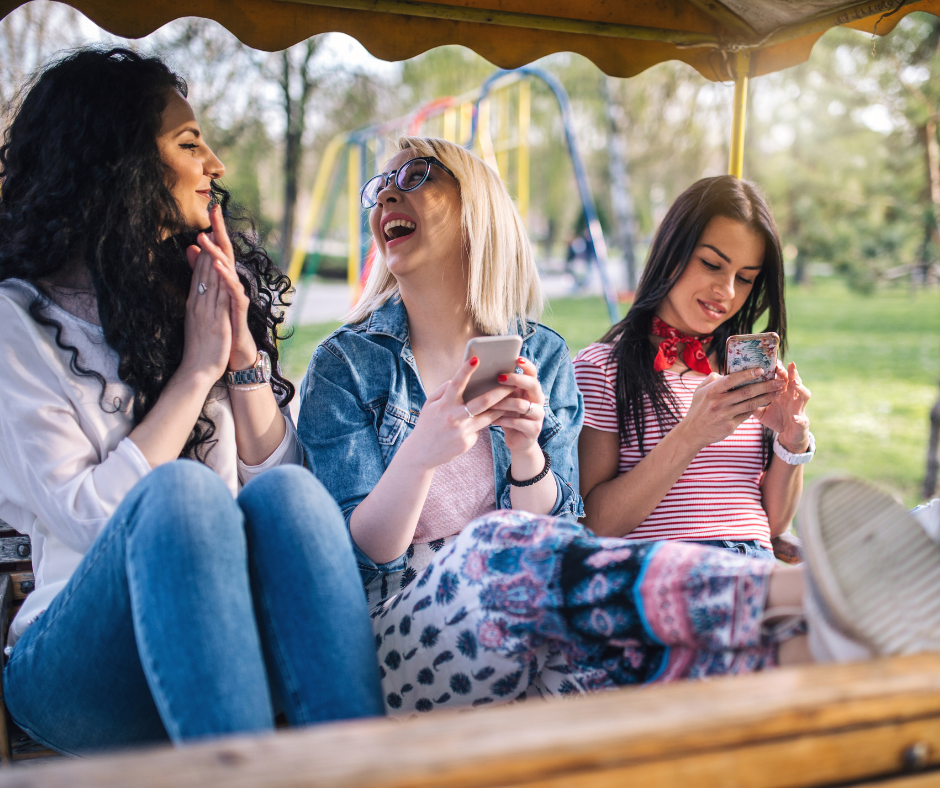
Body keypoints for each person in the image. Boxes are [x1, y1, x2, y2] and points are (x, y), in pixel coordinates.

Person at [298, 137, 939, 719]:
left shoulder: (539, 355)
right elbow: (361, 552)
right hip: (414, 626)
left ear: (476, 214)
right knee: (501, 546)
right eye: (378, 186)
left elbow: (563, 528)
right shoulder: (346, 365)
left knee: (748, 660)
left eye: (414, 176)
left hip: (548, 615)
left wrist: (527, 453)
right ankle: (827, 586)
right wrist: (421, 454)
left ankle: (896, 578)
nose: (386, 193)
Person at [0, 48, 382, 755]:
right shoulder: (16, 325)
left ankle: (363, 768)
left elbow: (284, 497)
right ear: (116, 162)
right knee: (184, 495)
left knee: (293, 502)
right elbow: (85, 517)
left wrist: (239, 360)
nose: (216, 165)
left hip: (231, 641)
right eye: (188, 142)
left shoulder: (195, 297)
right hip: (78, 666)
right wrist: (194, 373)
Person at [575, 176, 810, 560]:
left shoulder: (747, 372)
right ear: (671, 251)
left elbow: (774, 526)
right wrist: (691, 434)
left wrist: (792, 438)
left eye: (746, 278)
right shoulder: (601, 369)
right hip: (664, 579)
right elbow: (592, 526)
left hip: (753, 575)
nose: (728, 291)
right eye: (712, 264)